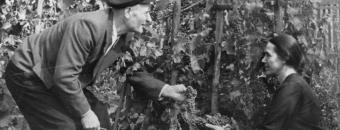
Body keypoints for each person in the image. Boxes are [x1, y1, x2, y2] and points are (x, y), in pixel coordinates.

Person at [4, 0, 187, 130]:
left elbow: (129, 68)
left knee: (99, 114)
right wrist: (84, 113)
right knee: (66, 126)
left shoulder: (124, 35)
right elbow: (65, 76)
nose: (149, 20)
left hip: (56, 75)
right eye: (146, 13)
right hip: (28, 73)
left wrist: (165, 89)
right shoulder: (87, 26)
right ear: (129, 12)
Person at [206, 34, 323, 130]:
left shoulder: (292, 87)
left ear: (285, 57)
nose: (263, 60)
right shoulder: (295, 84)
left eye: (268, 55)